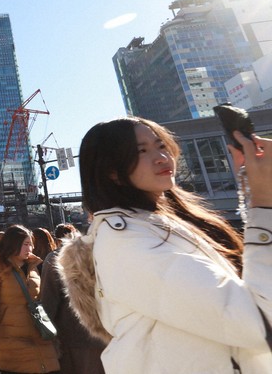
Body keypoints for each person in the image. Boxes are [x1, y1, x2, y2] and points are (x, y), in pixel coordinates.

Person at [58, 116, 272, 373]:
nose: (161, 157)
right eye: (141, 151)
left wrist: (254, 189)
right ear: (112, 172)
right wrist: (263, 201)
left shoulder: (158, 224)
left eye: (161, 146)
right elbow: (256, 323)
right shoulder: (127, 243)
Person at [0, 224, 60, 373]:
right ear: (13, 244)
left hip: (38, 334)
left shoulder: (34, 266)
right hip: (9, 338)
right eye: (26, 244)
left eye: (31, 244)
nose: (30, 248)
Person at [40, 225, 105, 374]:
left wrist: (46, 339)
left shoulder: (56, 258)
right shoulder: (107, 255)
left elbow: (48, 303)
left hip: (70, 337)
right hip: (105, 334)